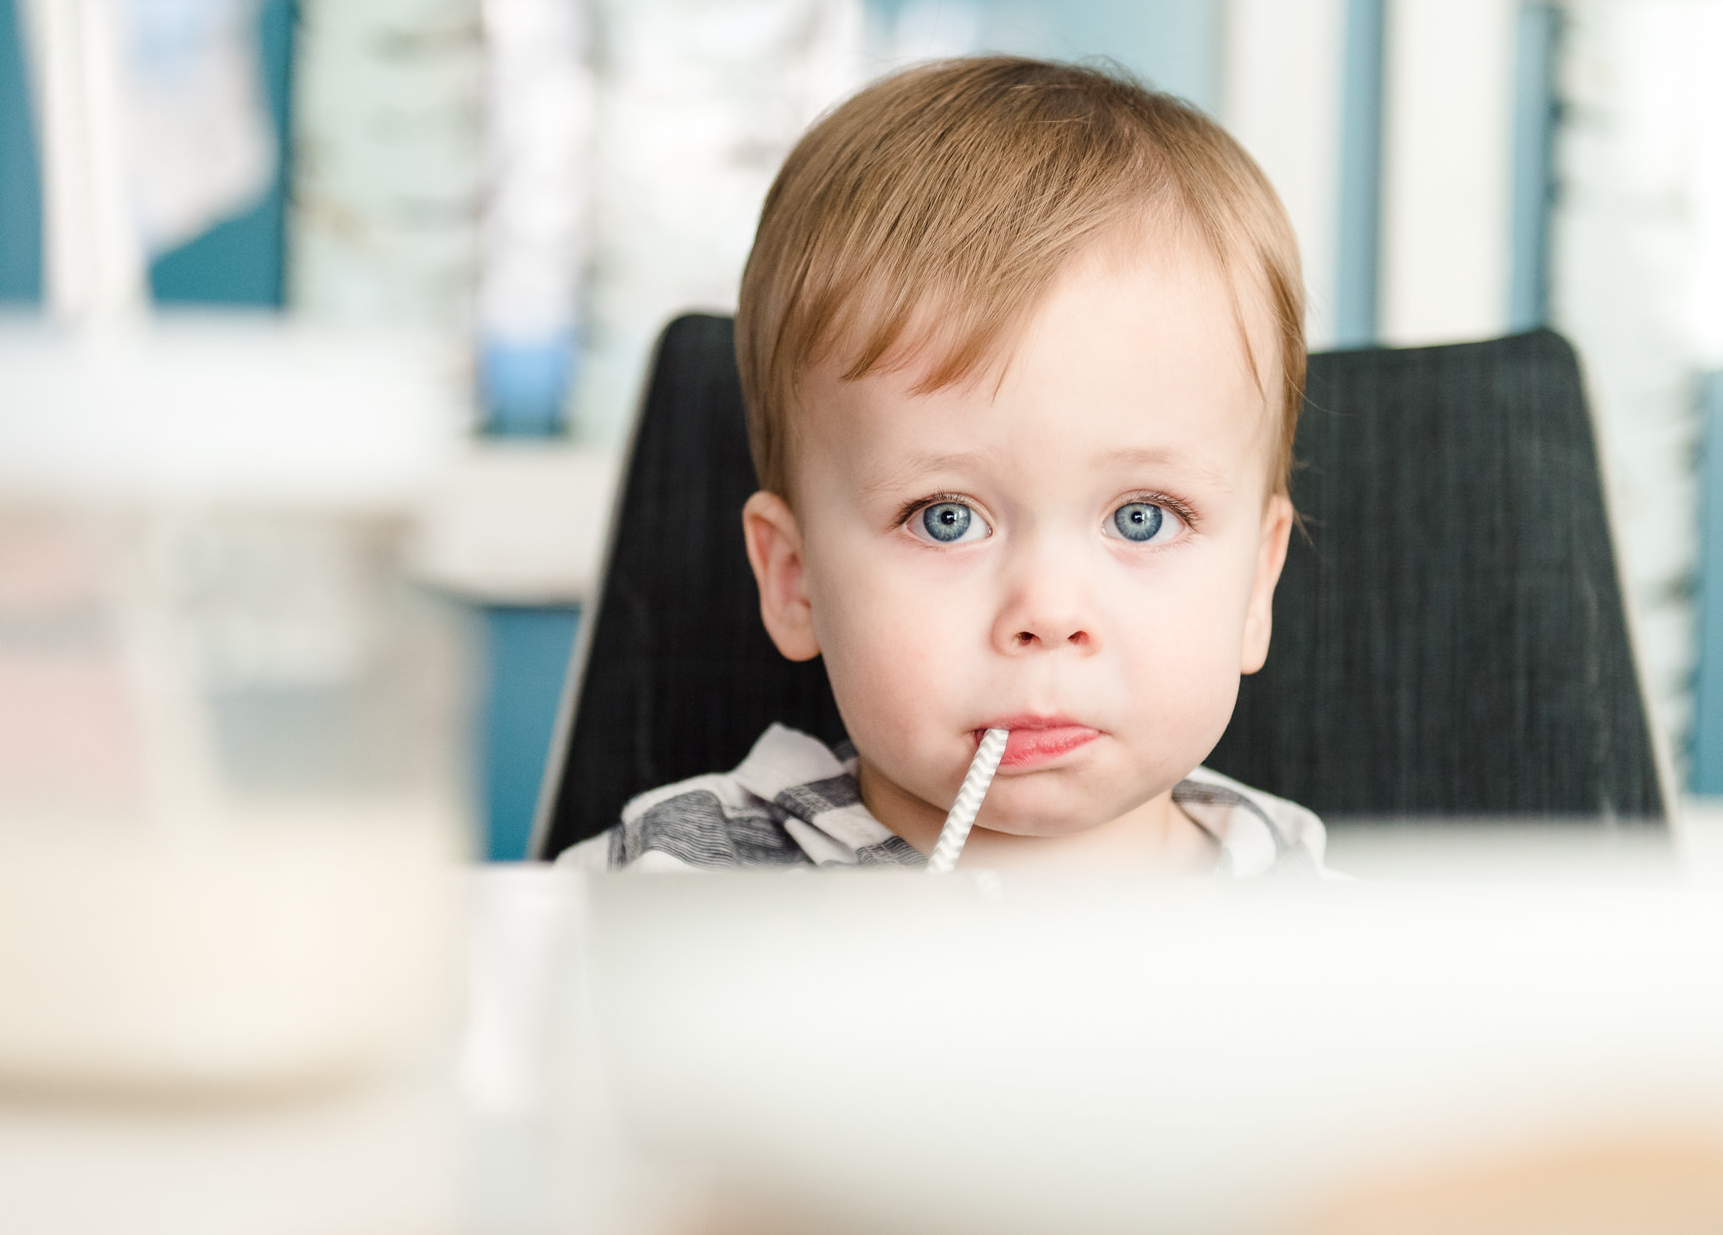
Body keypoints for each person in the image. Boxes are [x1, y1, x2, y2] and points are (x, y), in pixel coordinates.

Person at [558, 57, 1326, 875]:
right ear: (794, 578)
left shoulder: (1340, 942)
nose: (1050, 613)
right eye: (945, 517)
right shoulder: (673, 891)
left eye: (1144, 516)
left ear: (1254, 584)